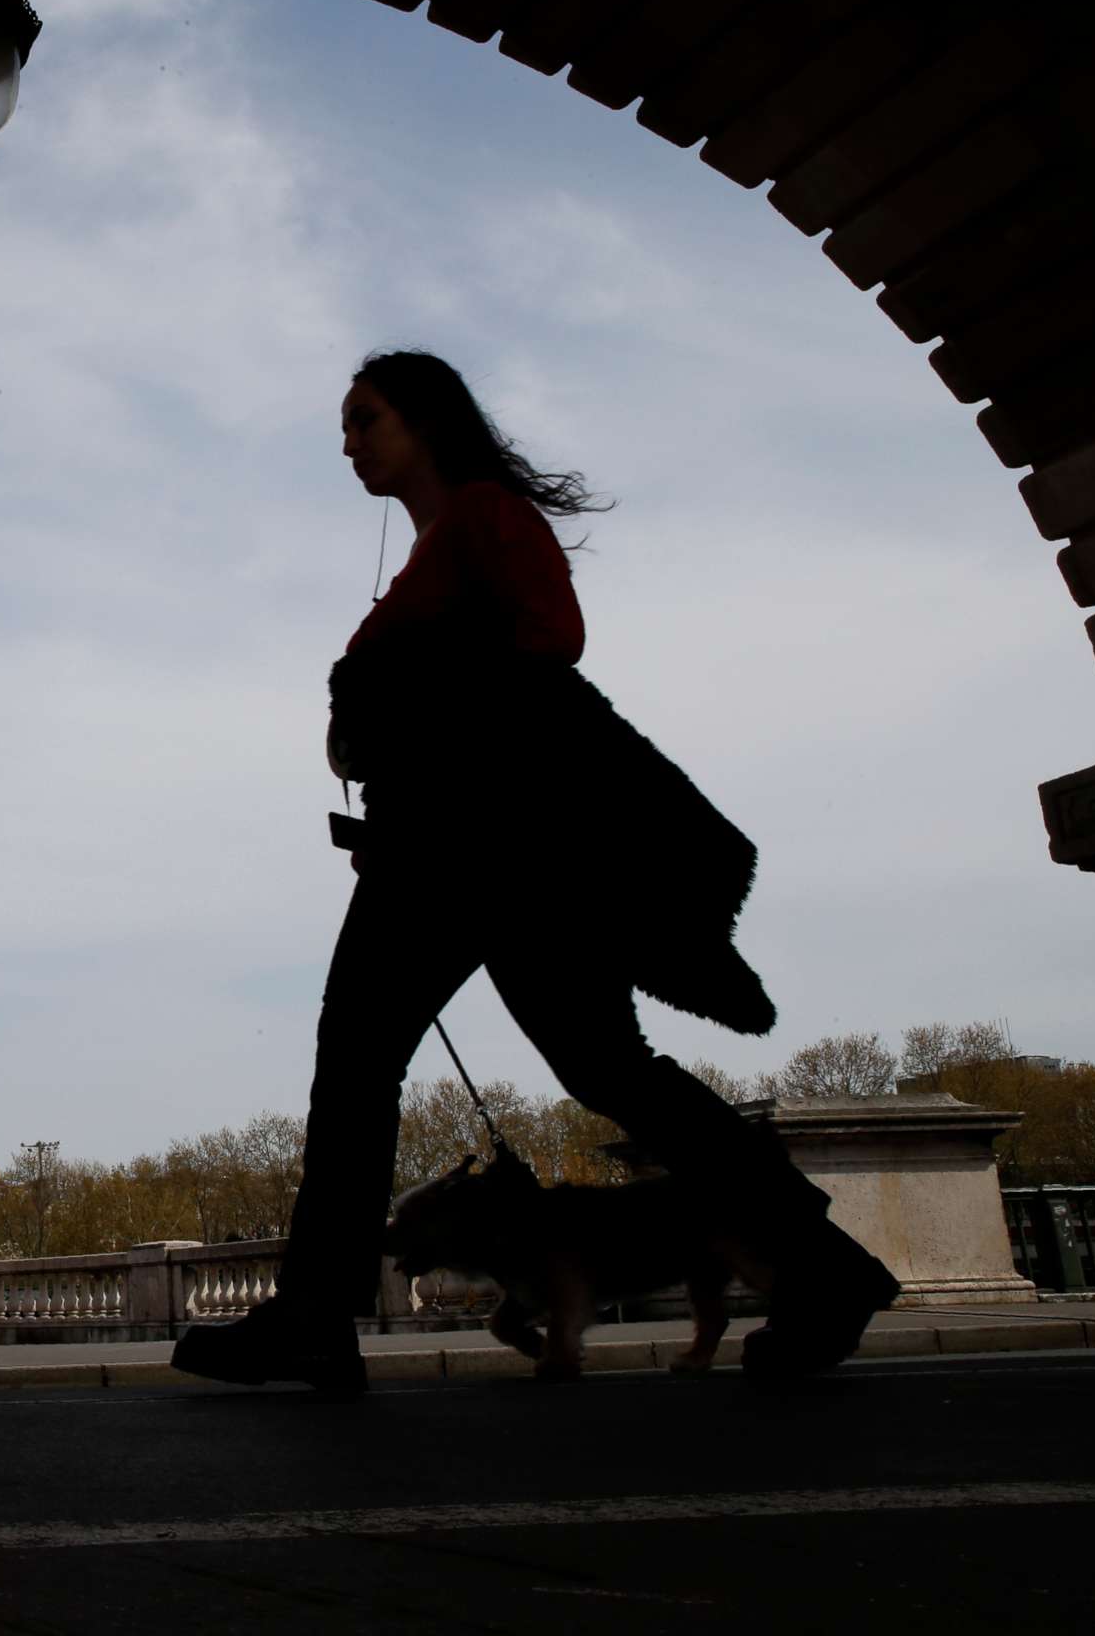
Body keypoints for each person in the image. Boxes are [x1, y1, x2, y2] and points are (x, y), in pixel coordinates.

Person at [171, 350, 898, 1395]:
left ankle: (318, 1316)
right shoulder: (444, 539)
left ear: (425, 420)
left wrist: (416, 732)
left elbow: (552, 641)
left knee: (364, 1060)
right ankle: (827, 1271)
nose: (347, 442)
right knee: (607, 1069)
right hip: (476, 845)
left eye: (364, 419)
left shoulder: (481, 518)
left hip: (470, 843)